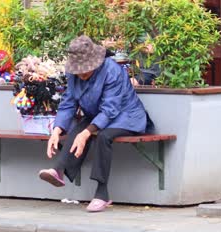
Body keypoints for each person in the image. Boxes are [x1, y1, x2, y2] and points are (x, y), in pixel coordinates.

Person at [38, 35, 153, 213]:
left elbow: (110, 109)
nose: (81, 75)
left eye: (85, 71)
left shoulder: (112, 70)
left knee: (102, 136)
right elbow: (68, 102)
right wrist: (57, 130)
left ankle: (102, 193)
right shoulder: (74, 75)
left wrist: (87, 133)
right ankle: (58, 170)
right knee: (80, 130)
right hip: (96, 116)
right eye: (79, 72)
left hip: (126, 116)